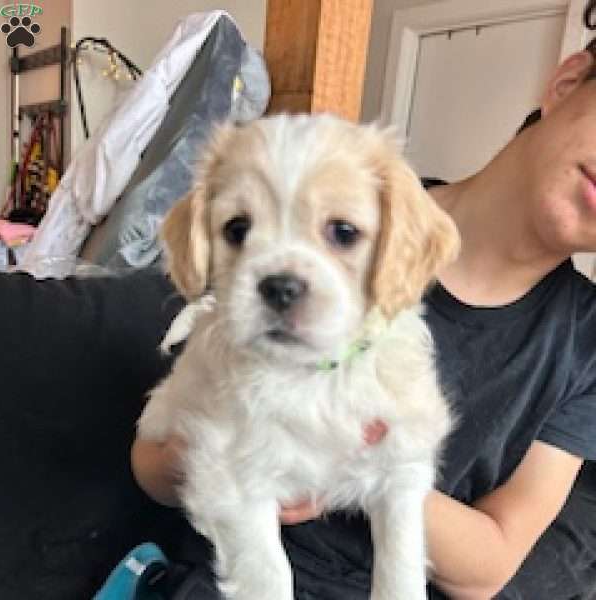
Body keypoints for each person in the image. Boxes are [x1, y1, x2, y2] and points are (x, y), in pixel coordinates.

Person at [130, 3, 596, 599]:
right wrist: (235, 458)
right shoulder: (369, 188)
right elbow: (154, 463)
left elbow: (490, 570)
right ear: (566, 83)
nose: (285, 273)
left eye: (341, 235)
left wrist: (356, 463)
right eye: (240, 230)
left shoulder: (582, 343)